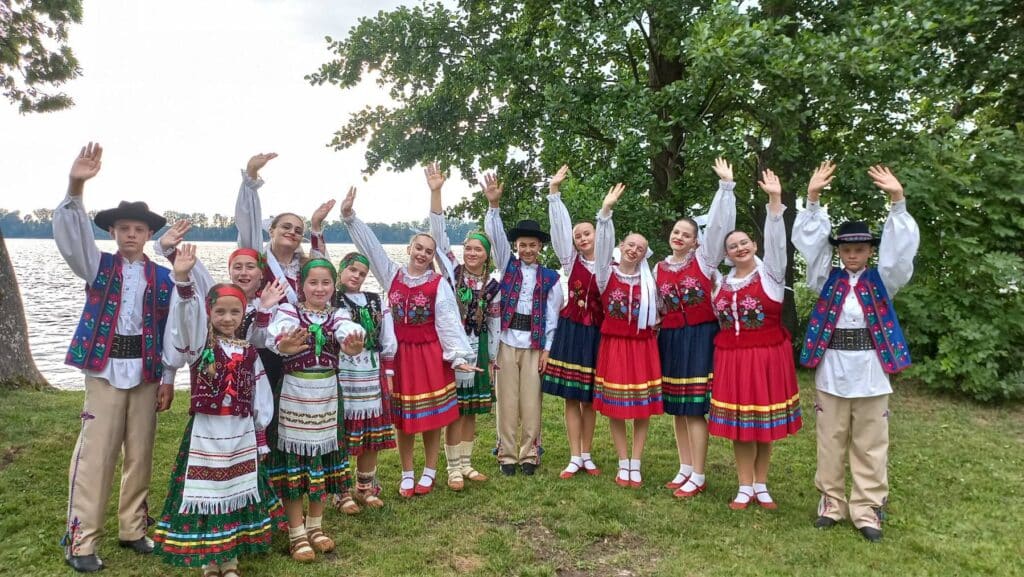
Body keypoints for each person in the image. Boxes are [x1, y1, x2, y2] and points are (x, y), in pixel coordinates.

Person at [56, 142, 175, 573]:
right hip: (105, 369)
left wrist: (167, 377)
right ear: (113, 233)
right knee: (97, 454)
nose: (130, 235)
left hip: (145, 370)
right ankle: (81, 539)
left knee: (140, 452)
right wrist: (76, 185)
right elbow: (71, 237)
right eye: (123, 228)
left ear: (147, 236)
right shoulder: (97, 266)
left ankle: (133, 527)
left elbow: (172, 331)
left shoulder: (162, 277)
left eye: (138, 230)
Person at [793, 162, 919, 542]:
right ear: (840, 250)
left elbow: (901, 253)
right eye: (847, 248)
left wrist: (897, 201)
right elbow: (811, 249)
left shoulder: (884, 280)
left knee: (869, 441)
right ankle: (831, 502)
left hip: (869, 368)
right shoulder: (825, 279)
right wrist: (812, 200)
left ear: (869, 251)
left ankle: (866, 508)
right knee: (830, 438)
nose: (852, 254)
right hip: (833, 367)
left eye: (859, 249)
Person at [153, 245, 285, 576]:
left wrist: (260, 433)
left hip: (239, 434)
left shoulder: (249, 352)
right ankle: (210, 561)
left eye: (234, 313)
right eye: (220, 312)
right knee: (208, 491)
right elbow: (184, 325)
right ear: (209, 314)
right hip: (206, 434)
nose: (227, 319)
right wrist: (183, 282)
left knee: (235, 490)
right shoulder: (200, 347)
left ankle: (230, 560)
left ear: (243, 316)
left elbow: (260, 394)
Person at [341, 187, 477, 497]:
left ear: (432, 257)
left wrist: (457, 355)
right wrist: (350, 218)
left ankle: (429, 470)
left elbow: (447, 321)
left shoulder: (438, 283)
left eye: (428, 251)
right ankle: (406, 471)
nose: (422, 254)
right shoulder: (391, 276)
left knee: (431, 417)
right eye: (418, 248)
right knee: (403, 419)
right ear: (409, 248)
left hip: (429, 354)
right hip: (401, 355)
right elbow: (372, 248)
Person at [707, 168, 802, 511]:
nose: (739, 248)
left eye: (744, 242)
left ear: (754, 245)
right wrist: (725, 189)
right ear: (727, 253)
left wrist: (774, 203)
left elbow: (779, 245)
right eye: (732, 246)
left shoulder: (772, 275)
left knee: (762, 423)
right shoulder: (720, 281)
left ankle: (761, 484)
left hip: (766, 355)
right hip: (732, 358)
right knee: (740, 425)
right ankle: (744, 484)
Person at [266, 258, 366, 562]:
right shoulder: (288, 311)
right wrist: (283, 344)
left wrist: (353, 341)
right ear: (301, 285)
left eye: (325, 282)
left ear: (334, 286)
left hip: (325, 397)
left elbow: (346, 330)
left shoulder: (339, 315)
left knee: (321, 462)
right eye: (313, 282)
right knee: (295, 464)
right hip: (295, 395)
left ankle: (316, 525)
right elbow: (278, 333)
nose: (319, 288)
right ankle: (297, 532)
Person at [656, 158, 736, 498]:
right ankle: (684, 467)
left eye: (686, 234)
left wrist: (725, 189)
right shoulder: (658, 267)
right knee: (676, 407)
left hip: (699, 337)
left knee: (693, 409)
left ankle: (699, 474)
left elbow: (719, 228)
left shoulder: (703, 262)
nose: (679, 237)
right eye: (676, 232)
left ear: (695, 241)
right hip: (671, 338)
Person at [426, 163, 501, 490]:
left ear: (486, 255)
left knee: (471, 409)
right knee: (455, 408)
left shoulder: (493, 282)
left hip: (480, 345)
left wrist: (494, 356)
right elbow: (438, 236)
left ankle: (467, 463)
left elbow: (495, 322)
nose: (471, 253)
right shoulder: (451, 272)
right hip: (454, 348)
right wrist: (436, 191)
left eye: (478, 249)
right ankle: (452, 467)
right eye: (468, 248)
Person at [484, 173, 564, 476]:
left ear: (539, 247)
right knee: (507, 401)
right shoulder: (506, 265)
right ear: (515, 246)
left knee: (531, 402)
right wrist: (494, 205)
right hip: (506, 340)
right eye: (522, 245)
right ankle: (506, 453)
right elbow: (494, 236)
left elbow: (553, 316)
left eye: (532, 245)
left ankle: (529, 452)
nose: (527, 249)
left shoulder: (550, 278)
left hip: (533, 343)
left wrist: (547, 349)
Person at [592, 183, 664, 488]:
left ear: (646, 253)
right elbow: (601, 243)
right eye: (630, 244)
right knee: (617, 406)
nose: (634, 249)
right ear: (622, 245)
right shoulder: (606, 272)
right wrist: (606, 212)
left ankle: (637, 461)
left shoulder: (651, 279)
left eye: (641, 247)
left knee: (641, 406)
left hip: (643, 346)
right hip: (615, 345)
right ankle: (623, 463)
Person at [543, 165, 605, 479]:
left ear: (598, 234)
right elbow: (559, 229)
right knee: (571, 395)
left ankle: (588, 454)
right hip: (572, 330)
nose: (581, 238)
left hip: (596, 333)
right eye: (577, 235)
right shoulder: (571, 261)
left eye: (587, 233)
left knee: (590, 398)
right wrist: (555, 194)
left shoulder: (611, 262)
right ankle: (573, 455)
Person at [331, 251, 398, 512]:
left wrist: (389, 373)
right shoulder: (332, 300)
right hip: (342, 374)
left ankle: (365, 487)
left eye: (362, 273)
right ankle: (341, 491)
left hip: (371, 371)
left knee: (371, 432)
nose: (356, 276)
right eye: (352, 270)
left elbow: (388, 336)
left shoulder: (375, 301)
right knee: (343, 434)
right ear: (341, 270)